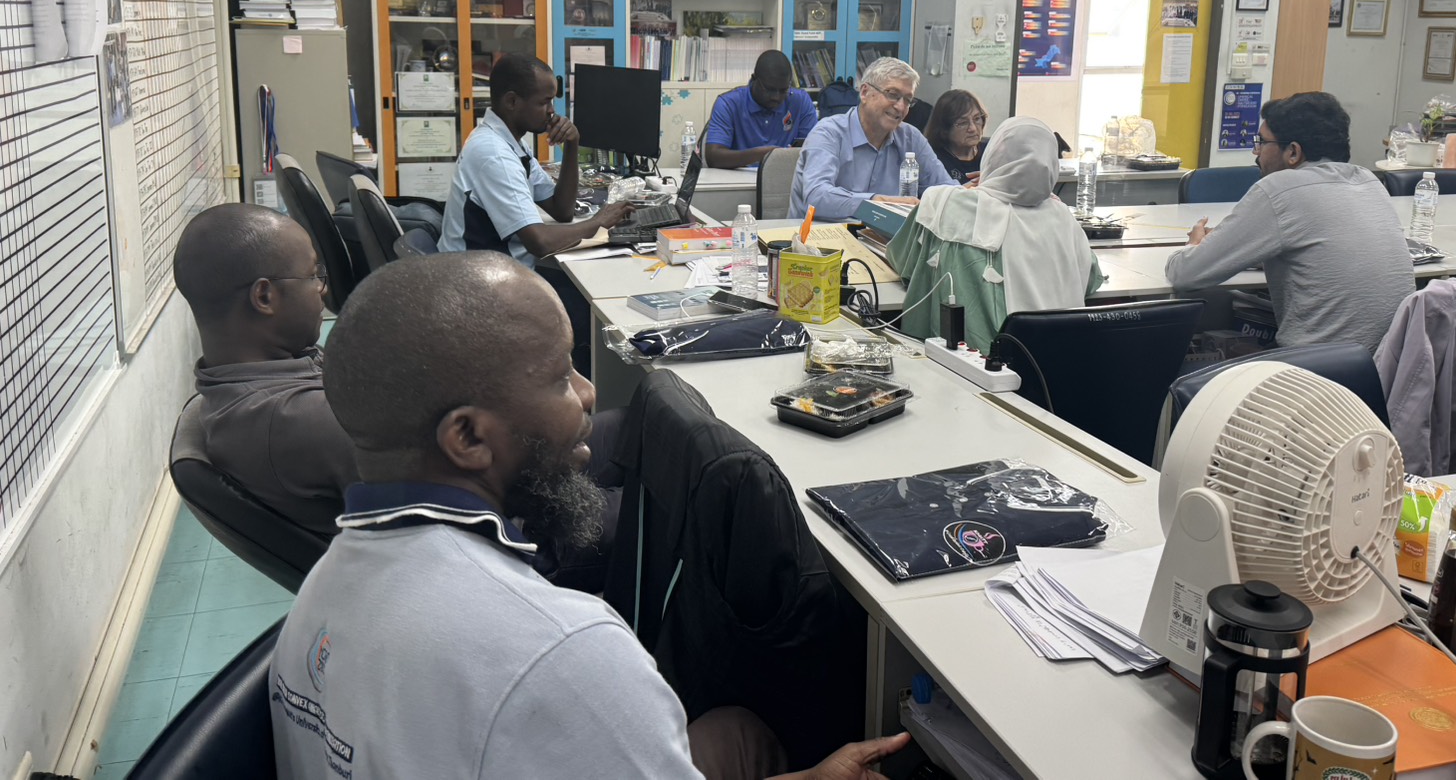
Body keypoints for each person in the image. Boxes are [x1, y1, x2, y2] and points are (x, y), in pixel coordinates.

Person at [269, 252, 909, 779]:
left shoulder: (322, 587)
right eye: (559, 377)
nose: (587, 392)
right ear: (466, 437)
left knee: (734, 733)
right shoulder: (561, 649)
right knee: (749, 738)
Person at [1166, 91, 1414, 352]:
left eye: (1262, 142)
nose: (1255, 152)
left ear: (1293, 152)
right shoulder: (1368, 181)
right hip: (1388, 366)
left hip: (1314, 368)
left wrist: (1194, 245)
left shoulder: (1280, 188)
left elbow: (1185, 274)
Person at [439, 53, 631, 374]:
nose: (552, 111)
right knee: (593, 316)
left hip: (499, 272)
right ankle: (573, 392)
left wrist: (572, 145)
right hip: (481, 289)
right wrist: (598, 222)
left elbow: (561, 210)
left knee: (590, 298)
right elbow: (539, 242)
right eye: (544, 102)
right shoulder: (494, 154)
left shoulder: (513, 143)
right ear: (512, 101)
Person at [172, 204, 353, 538]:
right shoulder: (302, 420)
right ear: (265, 296)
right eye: (312, 275)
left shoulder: (253, 376)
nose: (322, 288)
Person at [889, 117, 1102, 350]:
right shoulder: (1063, 217)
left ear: (992, 156)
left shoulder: (944, 203)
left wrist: (985, 186)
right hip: (1057, 357)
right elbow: (1091, 281)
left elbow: (902, 261)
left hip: (974, 362)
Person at [789, 56, 957, 221]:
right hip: (820, 235)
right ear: (864, 93)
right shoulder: (828, 133)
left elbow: (944, 189)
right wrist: (876, 202)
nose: (900, 107)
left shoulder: (910, 138)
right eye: (893, 94)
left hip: (882, 236)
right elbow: (816, 197)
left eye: (908, 100)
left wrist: (966, 194)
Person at [704, 50, 818, 169]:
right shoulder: (728, 104)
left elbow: (814, 151)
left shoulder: (800, 101)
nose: (776, 97)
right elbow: (713, 157)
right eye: (769, 89)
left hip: (786, 177)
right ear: (754, 79)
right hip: (737, 178)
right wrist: (762, 155)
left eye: (783, 90)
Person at [923, 89, 989, 183]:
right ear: (944, 129)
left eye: (977, 119)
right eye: (963, 123)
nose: (973, 128)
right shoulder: (933, 160)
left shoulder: (990, 152)